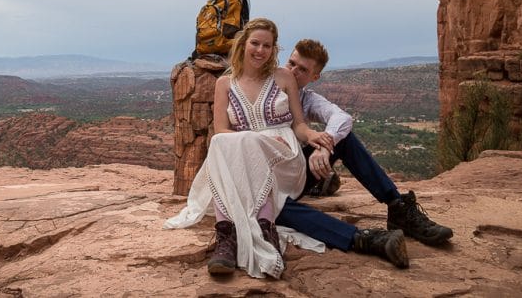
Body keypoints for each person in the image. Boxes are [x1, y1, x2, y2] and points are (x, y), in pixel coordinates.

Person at [164, 19, 335, 279]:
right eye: (255, 43)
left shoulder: (283, 77)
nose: (260, 50)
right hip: (243, 152)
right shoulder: (225, 84)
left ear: (273, 49)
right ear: (243, 44)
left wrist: (312, 135)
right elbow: (221, 129)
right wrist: (252, 139)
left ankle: (265, 232)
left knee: (238, 144)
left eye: (267, 45)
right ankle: (227, 236)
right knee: (222, 142)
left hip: (283, 155)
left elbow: (298, 124)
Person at [273, 39, 453, 266]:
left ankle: (397, 207)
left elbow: (342, 119)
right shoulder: (266, 89)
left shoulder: (307, 100)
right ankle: (362, 237)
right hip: (269, 182)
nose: (293, 71)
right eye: (291, 63)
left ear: (314, 77)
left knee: (344, 137)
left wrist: (323, 147)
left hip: (294, 173)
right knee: (274, 206)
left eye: (303, 70)